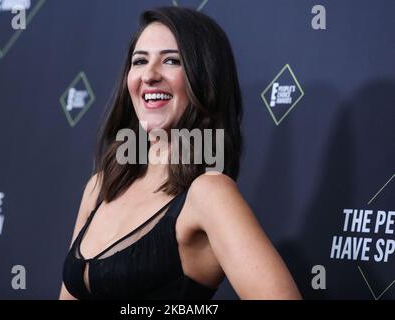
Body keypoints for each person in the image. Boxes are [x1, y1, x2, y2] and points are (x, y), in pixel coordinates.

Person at [59, 6, 301, 300]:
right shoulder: (99, 188)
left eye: (171, 61)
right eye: (140, 61)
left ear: (205, 81)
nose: (149, 75)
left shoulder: (209, 193)